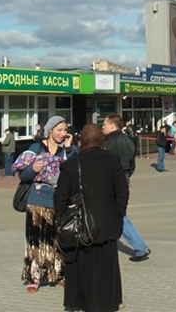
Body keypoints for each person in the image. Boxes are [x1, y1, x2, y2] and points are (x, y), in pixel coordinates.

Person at [54, 123, 128, 312]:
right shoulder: (111, 160)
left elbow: (60, 198)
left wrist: (64, 220)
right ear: (100, 140)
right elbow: (122, 191)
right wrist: (118, 213)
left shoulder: (70, 164)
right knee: (106, 269)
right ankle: (108, 303)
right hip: (106, 226)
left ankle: (78, 303)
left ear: (81, 141)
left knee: (80, 270)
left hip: (78, 229)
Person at [18, 116, 75, 292]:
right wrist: (32, 169)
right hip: (37, 201)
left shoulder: (65, 149)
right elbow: (23, 176)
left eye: (65, 130)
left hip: (59, 201)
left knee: (57, 239)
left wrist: (70, 149)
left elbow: (76, 169)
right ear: (50, 130)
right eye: (59, 130)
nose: (63, 134)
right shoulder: (36, 147)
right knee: (36, 239)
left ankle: (58, 274)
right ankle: (35, 277)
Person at [101, 114, 151, 263]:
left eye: (104, 124)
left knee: (118, 214)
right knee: (115, 213)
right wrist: (127, 176)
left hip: (112, 182)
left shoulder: (109, 143)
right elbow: (132, 164)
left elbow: (105, 165)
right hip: (124, 179)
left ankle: (140, 246)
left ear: (112, 126)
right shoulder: (129, 141)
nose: (102, 127)